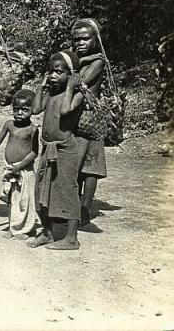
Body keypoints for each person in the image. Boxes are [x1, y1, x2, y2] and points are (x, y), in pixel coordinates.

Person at [29, 50, 83, 250]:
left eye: (58, 72)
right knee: (42, 189)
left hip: (65, 149)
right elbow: (35, 109)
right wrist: (42, 87)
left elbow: (64, 111)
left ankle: (71, 238)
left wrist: (70, 87)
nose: (52, 76)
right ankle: (48, 232)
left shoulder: (77, 95)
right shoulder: (51, 93)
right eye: (50, 71)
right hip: (48, 149)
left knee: (68, 191)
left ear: (71, 75)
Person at [0, 89, 38, 240]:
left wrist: (20, 166)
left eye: (25, 110)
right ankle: (13, 226)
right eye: (16, 109)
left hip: (24, 170)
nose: (20, 113)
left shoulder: (33, 129)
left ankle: (27, 229)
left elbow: (34, 152)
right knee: (10, 198)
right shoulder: (9, 125)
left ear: (32, 110)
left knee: (25, 200)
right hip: (9, 168)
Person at [71, 19, 108, 227]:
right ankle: (74, 203)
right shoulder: (79, 59)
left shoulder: (98, 61)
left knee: (91, 166)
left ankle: (85, 206)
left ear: (96, 40)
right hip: (75, 116)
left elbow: (81, 81)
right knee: (75, 162)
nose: (80, 43)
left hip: (90, 116)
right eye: (77, 40)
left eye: (85, 38)